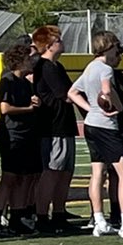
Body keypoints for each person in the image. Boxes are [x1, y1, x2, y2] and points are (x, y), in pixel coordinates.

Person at [70, 30, 123, 238]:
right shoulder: (105, 68)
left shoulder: (89, 68)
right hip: (106, 126)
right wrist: (116, 106)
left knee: (98, 173)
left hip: (90, 125)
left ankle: (99, 220)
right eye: (116, 48)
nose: (118, 53)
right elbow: (106, 90)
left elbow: (71, 93)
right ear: (108, 47)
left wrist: (89, 109)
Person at [0, 41, 41, 238]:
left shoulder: (25, 83)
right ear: (18, 61)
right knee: (9, 176)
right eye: (28, 58)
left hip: (26, 133)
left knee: (23, 176)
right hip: (12, 134)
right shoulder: (8, 80)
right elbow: (5, 108)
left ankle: (17, 217)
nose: (31, 62)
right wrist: (28, 109)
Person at [30, 26, 79, 233]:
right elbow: (65, 94)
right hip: (53, 126)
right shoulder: (46, 66)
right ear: (49, 45)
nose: (62, 42)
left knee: (65, 172)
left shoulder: (56, 66)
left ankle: (59, 213)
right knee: (52, 171)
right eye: (57, 40)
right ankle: (42, 215)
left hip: (64, 124)